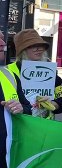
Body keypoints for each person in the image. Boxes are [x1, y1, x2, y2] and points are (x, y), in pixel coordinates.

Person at [7, 29, 62, 119]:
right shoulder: (8, 71)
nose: (39, 49)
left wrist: (52, 104)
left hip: (45, 127)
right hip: (19, 126)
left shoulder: (49, 71)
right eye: (33, 46)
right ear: (22, 50)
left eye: (41, 46)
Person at [0, 31, 32, 167]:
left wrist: (21, 108)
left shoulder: (8, 75)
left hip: (7, 154)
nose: (2, 44)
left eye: (2, 39)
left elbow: (28, 108)